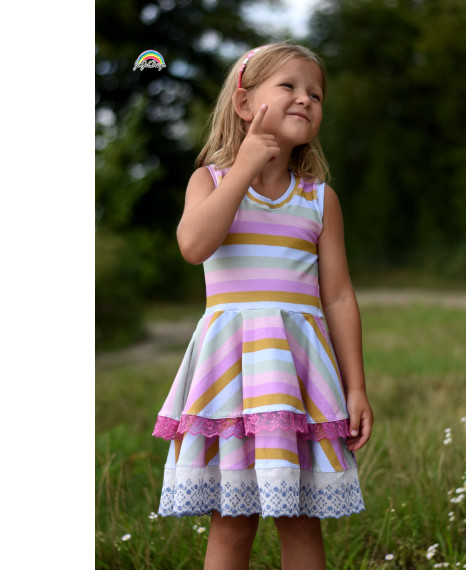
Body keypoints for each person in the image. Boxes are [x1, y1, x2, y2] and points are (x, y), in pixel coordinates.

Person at [152, 42, 374, 570]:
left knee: (301, 519)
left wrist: (356, 387)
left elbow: (339, 295)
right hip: (229, 376)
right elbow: (193, 246)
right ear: (245, 103)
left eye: (315, 94)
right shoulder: (209, 181)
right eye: (289, 86)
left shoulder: (320, 199)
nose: (305, 99)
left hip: (297, 381)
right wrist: (244, 167)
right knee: (232, 521)